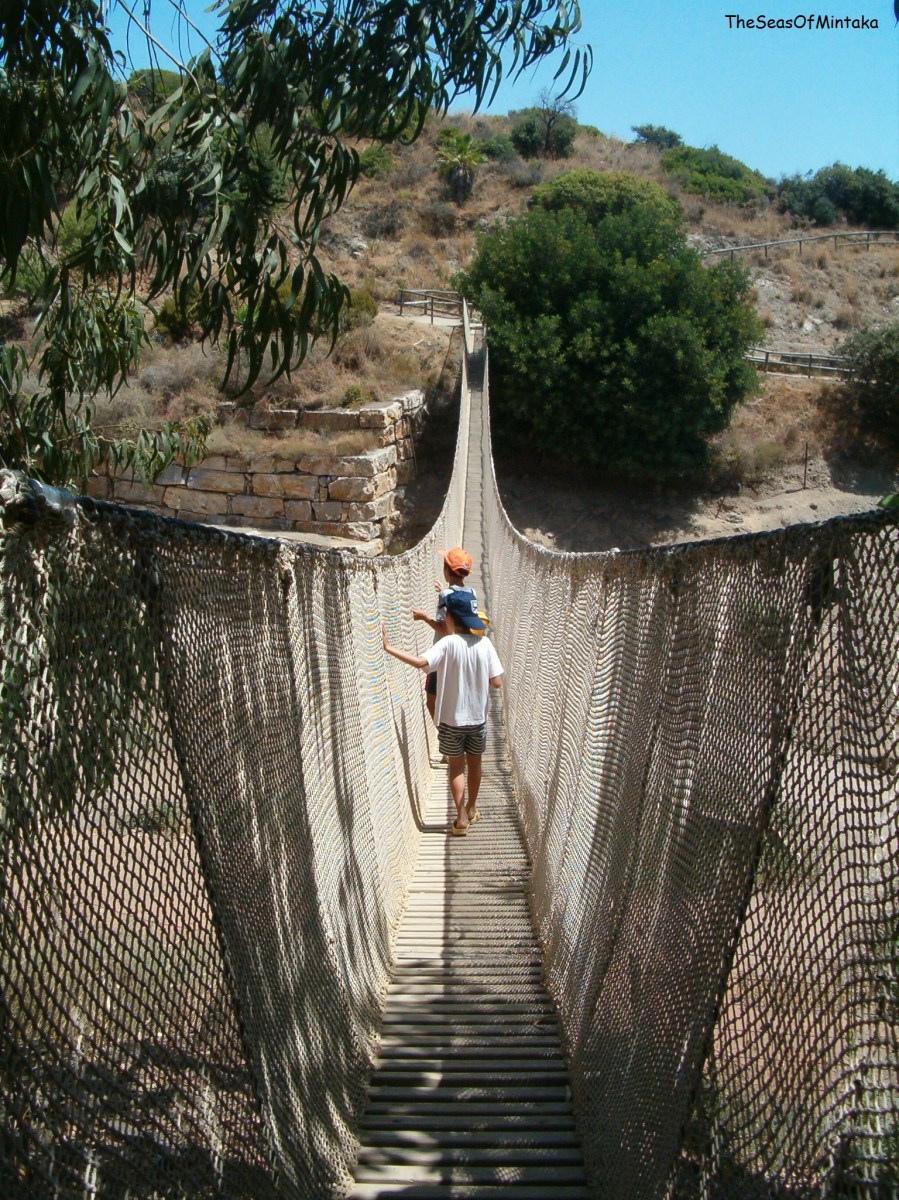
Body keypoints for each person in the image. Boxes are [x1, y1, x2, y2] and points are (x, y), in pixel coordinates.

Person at [382, 589, 504, 836]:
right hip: (477, 719)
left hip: (451, 721)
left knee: (456, 767)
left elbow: (421, 663)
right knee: (475, 764)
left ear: (448, 616)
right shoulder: (486, 643)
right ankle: (470, 808)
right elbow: (497, 682)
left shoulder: (448, 643)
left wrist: (388, 648)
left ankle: (460, 820)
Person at [412, 547, 479, 725]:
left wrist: (424, 618)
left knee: (432, 701)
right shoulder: (472, 594)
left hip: (443, 655)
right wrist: (445, 591)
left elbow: (445, 629)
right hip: (465, 652)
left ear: (446, 570)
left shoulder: (446, 596)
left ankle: (446, 738)